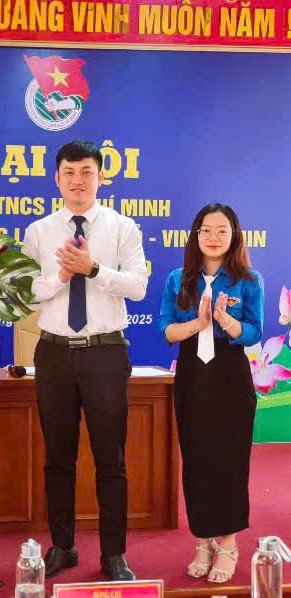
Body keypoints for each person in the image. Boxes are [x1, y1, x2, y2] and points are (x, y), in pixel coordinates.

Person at [20, 140, 148, 581]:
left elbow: (138, 286)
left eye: (87, 172)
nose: (78, 180)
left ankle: (114, 554)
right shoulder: (38, 231)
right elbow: (27, 292)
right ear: (57, 178)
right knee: (58, 457)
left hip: (105, 353)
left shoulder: (123, 227)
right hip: (53, 353)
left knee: (111, 458)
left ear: (100, 177)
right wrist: (62, 275)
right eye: (70, 172)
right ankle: (63, 546)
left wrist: (93, 269)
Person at [158, 203, 263, 583]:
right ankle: (203, 541)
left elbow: (254, 332)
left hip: (230, 374)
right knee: (197, 459)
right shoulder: (177, 279)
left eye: (222, 230)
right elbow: (167, 330)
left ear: (234, 236)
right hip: (192, 374)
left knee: (230, 461)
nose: (214, 237)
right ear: (196, 235)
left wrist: (227, 322)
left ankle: (229, 543)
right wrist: (199, 323)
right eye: (206, 230)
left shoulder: (248, 279)